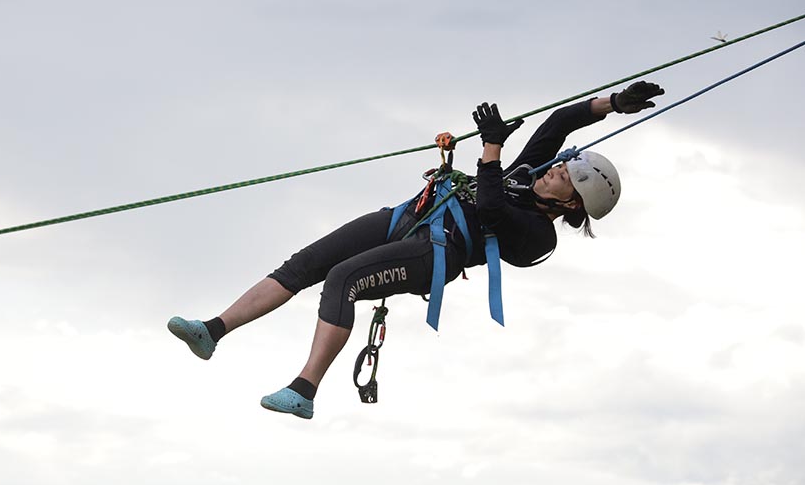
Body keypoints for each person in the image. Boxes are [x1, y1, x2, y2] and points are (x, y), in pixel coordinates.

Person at [167, 81, 665, 419]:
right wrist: (615, 103)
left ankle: (304, 390)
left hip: (434, 254)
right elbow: (559, 122)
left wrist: (492, 147)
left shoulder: (539, 234)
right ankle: (213, 330)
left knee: (342, 279)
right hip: (410, 217)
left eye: (566, 175)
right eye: (562, 164)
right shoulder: (528, 173)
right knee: (306, 264)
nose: (556, 168)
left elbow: (491, 208)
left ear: (572, 202)